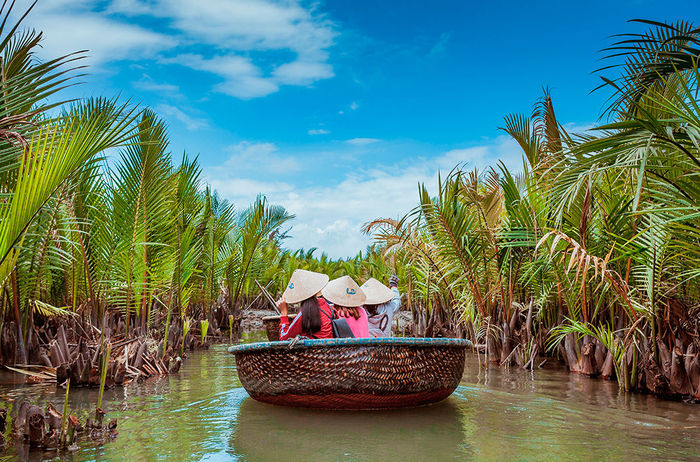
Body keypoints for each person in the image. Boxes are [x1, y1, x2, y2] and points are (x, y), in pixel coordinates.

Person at [278, 269, 334, 340]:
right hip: (329, 348)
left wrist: (283, 313)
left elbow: (283, 338)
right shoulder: (328, 307)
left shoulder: (304, 314)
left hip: (312, 350)